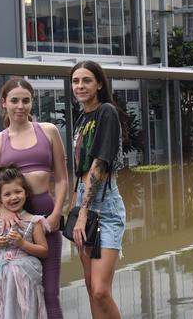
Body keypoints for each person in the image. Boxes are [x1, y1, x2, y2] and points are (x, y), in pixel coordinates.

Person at [0, 78, 68, 318]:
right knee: (11, 295)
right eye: (14, 100)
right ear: (4, 103)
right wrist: (2, 210)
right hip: (11, 225)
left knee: (50, 293)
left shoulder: (49, 131)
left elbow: (62, 179)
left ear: (31, 103)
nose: (20, 106)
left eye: (26, 100)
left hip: (47, 220)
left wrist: (57, 213)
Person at [70, 60, 126, 319]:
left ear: (99, 84)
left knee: (101, 290)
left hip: (104, 204)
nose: (80, 86)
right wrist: (75, 206)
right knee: (90, 286)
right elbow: (79, 170)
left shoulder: (106, 112)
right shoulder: (81, 118)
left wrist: (82, 214)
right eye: (75, 81)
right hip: (82, 199)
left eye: (86, 81)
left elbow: (99, 165)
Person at [0, 165, 50, 319]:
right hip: (0, 277)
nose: (14, 197)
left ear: (26, 193)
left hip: (24, 278)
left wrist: (22, 244)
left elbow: (44, 250)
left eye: (18, 191)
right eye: (7, 194)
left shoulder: (33, 221)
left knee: (22, 310)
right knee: (1, 310)